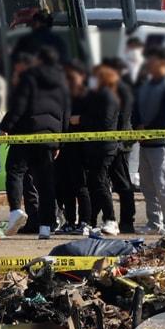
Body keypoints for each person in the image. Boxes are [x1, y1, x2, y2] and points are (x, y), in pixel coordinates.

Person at [0, 46, 72, 239]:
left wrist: (6, 125)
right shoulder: (62, 83)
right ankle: (46, 227)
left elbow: (20, 105)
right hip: (49, 139)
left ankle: (16, 210)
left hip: (26, 133)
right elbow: (66, 115)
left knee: (15, 170)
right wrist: (59, 142)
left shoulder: (29, 77)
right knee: (46, 183)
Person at [135, 47, 165, 234]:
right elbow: (135, 108)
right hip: (144, 143)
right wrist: (137, 126)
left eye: (152, 61)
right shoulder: (145, 85)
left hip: (163, 143)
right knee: (147, 185)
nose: (148, 65)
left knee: (164, 184)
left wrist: (148, 127)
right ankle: (154, 221)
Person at [79, 63, 123, 235]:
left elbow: (104, 123)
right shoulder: (98, 96)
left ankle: (111, 219)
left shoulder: (107, 97)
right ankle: (95, 220)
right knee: (96, 182)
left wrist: (82, 120)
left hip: (104, 146)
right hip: (97, 146)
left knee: (100, 182)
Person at [57, 60, 93, 234]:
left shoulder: (88, 96)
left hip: (82, 149)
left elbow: (98, 120)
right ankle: (70, 221)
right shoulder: (64, 97)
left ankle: (86, 221)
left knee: (81, 186)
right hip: (65, 147)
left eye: (72, 76)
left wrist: (81, 120)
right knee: (66, 186)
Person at [103, 56, 137, 233]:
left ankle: (127, 220)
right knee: (117, 182)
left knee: (123, 183)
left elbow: (123, 118)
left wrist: (117, 140)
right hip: (117, 142)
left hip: (119, 144)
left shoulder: (121, 90)